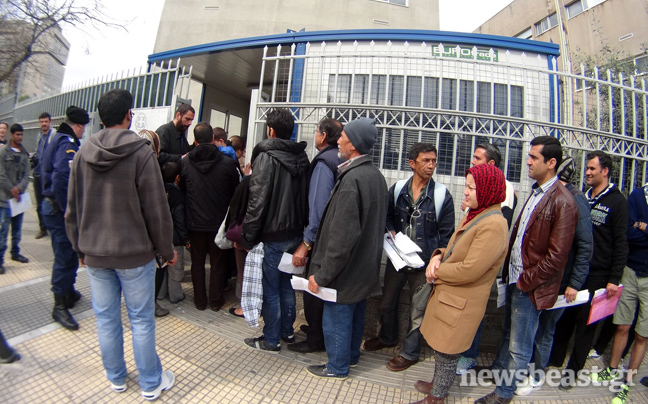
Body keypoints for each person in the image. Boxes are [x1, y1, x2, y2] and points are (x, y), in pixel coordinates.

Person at [66, 89, 177, 400]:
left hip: (95, 253)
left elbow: (72, 208)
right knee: (141, 319)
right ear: (129, 115)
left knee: (106, 318)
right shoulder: (142, 153)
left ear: (101, 119)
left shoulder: (83, 153)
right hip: (135, 255)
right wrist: (166, 251)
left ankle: (116, 378)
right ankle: (151, 382)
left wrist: (79, 250)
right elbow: (156, 209)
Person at [475, 136, 577, 404]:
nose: (528, 161)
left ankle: (504, 393)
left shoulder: (563, 201)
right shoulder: (537, 191)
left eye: (534, 157)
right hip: (516, 279)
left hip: (530, 285)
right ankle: (498, 372)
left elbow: (557, 257)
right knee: (509, 332)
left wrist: (526, 281)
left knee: (520, 345)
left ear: (551, 163)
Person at [411, 163, 509, 404]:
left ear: (487, 190)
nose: (465, 192)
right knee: (441, 347)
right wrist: (438, 255)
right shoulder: (478, 214)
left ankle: (437, 397)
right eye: (467, 186)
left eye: (471, 188)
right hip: (450, 296)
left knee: (448, 352)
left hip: (461, 301)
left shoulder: (494, 224)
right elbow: (455, 249)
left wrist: (436, 271)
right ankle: (437, 385)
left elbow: (470, 269)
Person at [306, 117, 388, 379]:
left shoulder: (353, 179)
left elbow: (342, 237)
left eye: (342, 136)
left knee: (337, 319)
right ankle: (350, 357)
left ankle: (337, 366)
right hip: (364, 268)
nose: (338, 140)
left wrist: (323, 275)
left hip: (346, 270)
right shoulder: (375, 176)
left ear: (352, 145)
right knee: (355, 316)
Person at [363, 142, 455, 372]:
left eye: (434, 160)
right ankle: (387, 337)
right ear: (412, 163)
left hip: (424, 263)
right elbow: (387, 215)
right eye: (426, 160)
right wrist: (391, 229)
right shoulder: (398, 189)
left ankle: (410, 352)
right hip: (399, 259)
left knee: (418, 309)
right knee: (386, 301)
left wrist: (438, 258)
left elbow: (447, 235)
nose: (431, 165)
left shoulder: (442, 195)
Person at [547, 152, 627, 393]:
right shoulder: (584, 197)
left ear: (605, 171)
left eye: (592, 168)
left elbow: (621, 242)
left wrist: (614, 278)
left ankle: (572, 373)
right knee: (564, 319)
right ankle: (554, 360)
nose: (588, 172)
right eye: (587, 169)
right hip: (576, 271)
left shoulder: (617, 202)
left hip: (599, 276)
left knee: (586, 327)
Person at [516, 156, 591, 395]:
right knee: (530, 330)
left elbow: (584, 245)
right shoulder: (539, 192)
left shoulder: (574, 198)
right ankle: (522, 371)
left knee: (545, 330)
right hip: (537, 277)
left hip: (559, 282)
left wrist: (575, 283)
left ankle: (536, 376)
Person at [241, 108, 310, 352]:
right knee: (286, 285)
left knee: (271, 289)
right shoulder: (303, 157)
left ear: (270, 131)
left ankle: (271, 339)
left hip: (273, 234)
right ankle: (287, 333)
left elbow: (257, 200)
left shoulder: (266, 157)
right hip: (295, 234)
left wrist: (248, 235)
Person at [456, 143, 517, 375]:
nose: (472, 162)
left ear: (491, 164)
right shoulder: (481, 184)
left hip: (481, 261)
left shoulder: (504, 188)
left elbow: (498, 224)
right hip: (471, 256)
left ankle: (469, 356)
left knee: (475, 308)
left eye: (477, 158)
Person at [288, 117, 344, 354]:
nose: (315, 135)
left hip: (321, 239)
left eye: (316, 131)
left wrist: (306, 243)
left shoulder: (323, 163)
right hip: (334, 235)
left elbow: (318, 208)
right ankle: (317, 332)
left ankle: (315, 339)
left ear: (322, 136)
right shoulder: (339, 158)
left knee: (314, 289)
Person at [589, 171, 644, 404]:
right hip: (630, 272)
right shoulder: (637, 195)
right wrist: (639, 229)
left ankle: (626, 385)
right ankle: (610, 369)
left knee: (642, 335)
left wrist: (643, 227)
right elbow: (628, 234)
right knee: (621, 326)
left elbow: (635, 231)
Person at [181, 122, 239, 311]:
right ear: (213, 139)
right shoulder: (228, 163)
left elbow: (183, 191)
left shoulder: (186, 162)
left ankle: (199, 301)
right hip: (219, 223)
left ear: (195, 141)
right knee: (218, 263)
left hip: (194, 223)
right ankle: (215, 300)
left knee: (197, 263)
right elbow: (234, 193)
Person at [41, 106, 90, 331]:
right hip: (58, 210)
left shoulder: (57, 137)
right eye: (83, 128)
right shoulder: (67, 143)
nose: (83, 133)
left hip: (52, 208)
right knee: (64, 255)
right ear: (78, 125)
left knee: (69, 252)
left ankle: (68, 292)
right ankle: (59, 305)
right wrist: (67, 210)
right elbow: (62, 176)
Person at [0, 123, 31, 275]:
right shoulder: (2, 153)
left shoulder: (24, 154)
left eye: (21, 135)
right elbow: (1, 175)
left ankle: (15, 252)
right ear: (11, 135)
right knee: (3, 231)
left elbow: (27, 175)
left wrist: (19, 189)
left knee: (17, 230)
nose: (19, 137)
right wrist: (13, 190)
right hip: (5, 200)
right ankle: (0, 260)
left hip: (19, 200)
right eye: (17, 134)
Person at [161, 161, 189, 305]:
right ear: (177, 177)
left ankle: (160, 294)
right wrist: (186, 239)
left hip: (160, 237)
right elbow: (179, 219)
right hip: (175, 238)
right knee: (175, 269)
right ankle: (175, 295)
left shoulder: (158, 189)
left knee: (162, 266)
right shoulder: (177, 194)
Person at [33, 112, 56, 239]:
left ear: (50, 122)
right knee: (39, 204)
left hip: (48, 176)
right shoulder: (40, 137)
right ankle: (42, 228)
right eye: (42, 122)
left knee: (50, 203)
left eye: (46, 121)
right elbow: (38, 153)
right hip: (37, 174)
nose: (44, 124)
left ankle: (51, 227)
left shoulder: (53, 136)